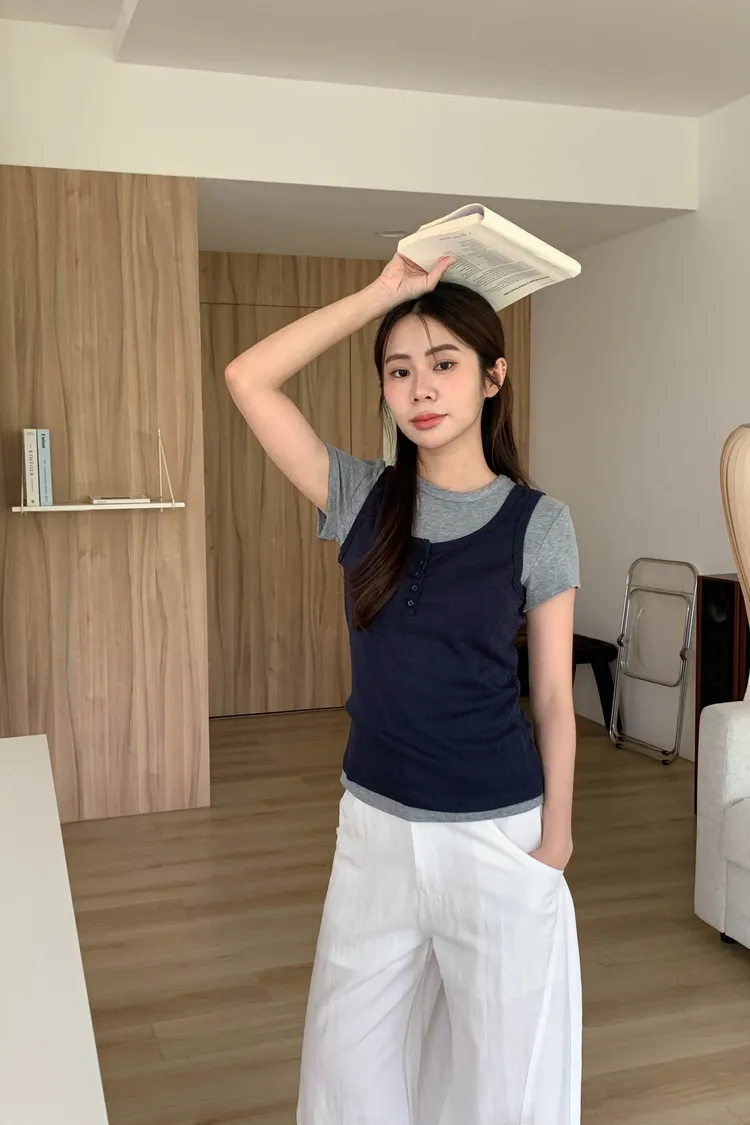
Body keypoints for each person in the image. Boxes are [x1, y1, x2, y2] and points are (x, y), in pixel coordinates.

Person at [225, 251, 582, 1125]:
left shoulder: (539, 524)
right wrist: (383, 295)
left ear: (493, 377)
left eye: (444, 362)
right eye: (398, 370)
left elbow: (551, 696)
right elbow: (247, 378)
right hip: (375, 829)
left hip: (497, 832)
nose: (420, 387)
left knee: (507, 1079)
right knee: (347, 1066)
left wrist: (556, 840)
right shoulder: (362, 499)